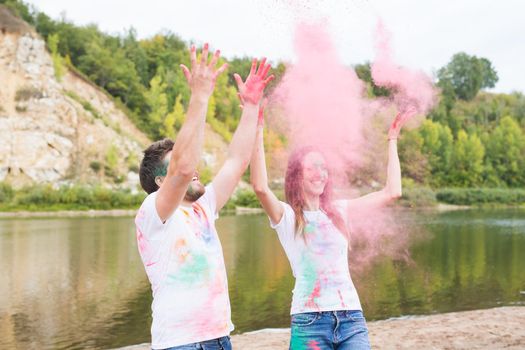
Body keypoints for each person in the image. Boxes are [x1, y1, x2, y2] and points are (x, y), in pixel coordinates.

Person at [135, 43, 274, 350]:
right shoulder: (153, 213)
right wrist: (200, 96)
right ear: (160, 180)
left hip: (219, 339)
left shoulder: (204, 207)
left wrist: (251, 108)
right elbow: (182, 169)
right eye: (174, 167)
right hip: (181, 343)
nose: (194, 168)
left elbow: (237, 161)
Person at [249, 105, 416, 349]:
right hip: (309, 322)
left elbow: (393, 191)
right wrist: (258, 128)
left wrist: (392, 139)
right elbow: (260, 187)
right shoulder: (287, 217)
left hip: (350, 318)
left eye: (324, 167)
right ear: (297, 176)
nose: (321, 173)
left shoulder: (340, 212)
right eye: (312, 167)